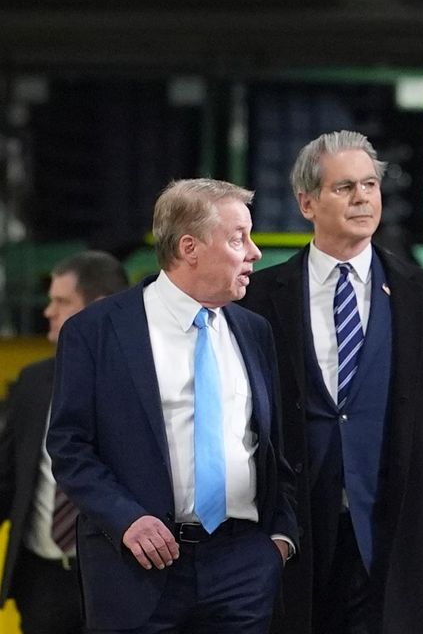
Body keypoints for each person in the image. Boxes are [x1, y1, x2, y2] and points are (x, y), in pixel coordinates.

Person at [47, 179, 298, 634]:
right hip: (136, 567)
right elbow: (69, 447)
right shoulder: (95, 331)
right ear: (189, 247)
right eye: (238, 238)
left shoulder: (254, 330)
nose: (255, 252)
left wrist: (279, 539)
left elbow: (274, 447)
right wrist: (126, 519)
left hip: (243, 568)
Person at [241, 131, 423, 634]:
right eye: (344, 187)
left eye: (370, 185)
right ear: (307, 203)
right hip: (295, 534)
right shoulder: (259, 298)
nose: (362, 198)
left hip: (396, 530)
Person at [0, 251, 128, 634]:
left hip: (116, 578)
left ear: (98, 308)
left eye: (61, 301)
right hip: (40, 581)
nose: (48, 312)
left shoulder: (144, 383)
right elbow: (8, 476)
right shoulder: (33, 382)